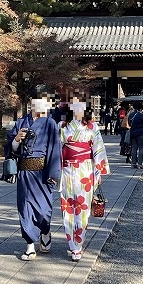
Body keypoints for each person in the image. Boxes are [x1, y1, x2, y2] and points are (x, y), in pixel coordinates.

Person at [5, 97, 63, 261]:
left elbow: (55, 149)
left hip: (43, 174)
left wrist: (54, 174)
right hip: (25, 173)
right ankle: (30, 245)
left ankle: (45, 230)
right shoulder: (21, 122)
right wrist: (16, 140)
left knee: (44, 210)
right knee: (25, 209)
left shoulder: (50, 123)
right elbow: (10, 148)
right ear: (31, 102)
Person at [59, 103, 110, 262]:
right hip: (67, 170)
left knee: (83, 208)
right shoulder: (62, 125)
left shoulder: (92, 126)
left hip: (85, 171)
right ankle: (72, 243)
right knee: (67, 207)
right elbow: (56, 149)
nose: (77, 109)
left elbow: (98, 149)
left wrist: (99, 170)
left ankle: (78, 245)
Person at [128, 101, 143, 169]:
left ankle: (133, 163)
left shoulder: (130, 115)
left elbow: (129, 123)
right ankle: (140, 163)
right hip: (140, 133)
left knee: (134, 148)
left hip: (133, 133)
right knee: (141, 148)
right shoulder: (141, 115)